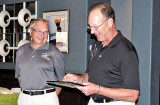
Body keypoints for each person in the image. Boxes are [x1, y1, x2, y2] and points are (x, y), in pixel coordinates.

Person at [63, 3, 140, 105]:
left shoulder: (126, 50)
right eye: (90, 27)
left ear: (110, 22)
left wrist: (97, 90)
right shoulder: (96, 46)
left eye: (96, 26)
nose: (92, 32)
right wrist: (78, 79)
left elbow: (133, 95)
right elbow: (89, 75)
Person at [15, 18, 65, 105]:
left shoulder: (55, 52)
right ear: (30, 31)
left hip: (46, 99)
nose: (42, 35)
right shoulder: (21, 50)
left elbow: (61, 80)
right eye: (39, 31)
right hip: (25, 98)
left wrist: (50, 97)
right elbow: (19, 76)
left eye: (45, 32)